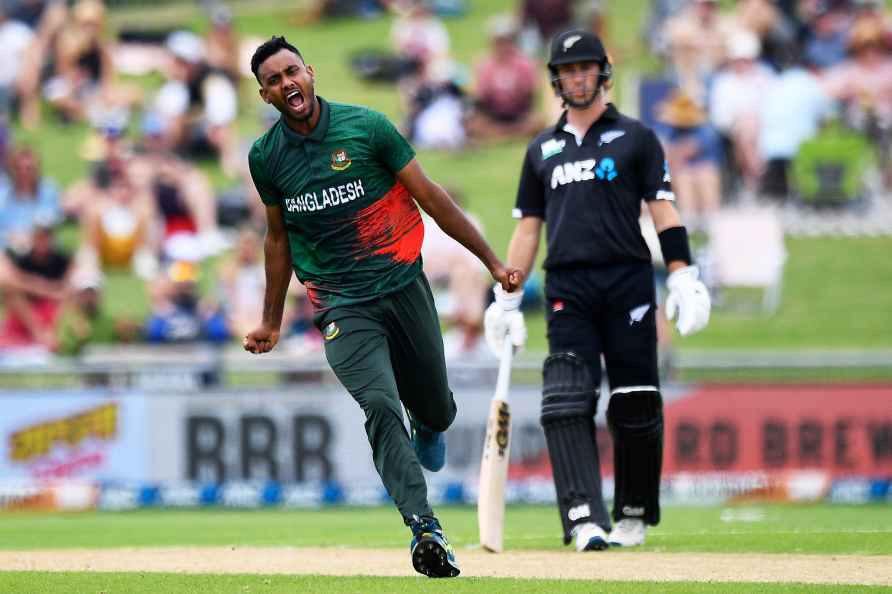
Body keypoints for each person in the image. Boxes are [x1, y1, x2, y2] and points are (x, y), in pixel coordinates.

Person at [242, 36, 521, 578]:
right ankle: (425, 529)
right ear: (264, 94)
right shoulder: (266, 157)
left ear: (311, 72)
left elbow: (432, 197)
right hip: (341, 306)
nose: (287, 84)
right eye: (274, 80)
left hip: (402, 286)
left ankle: (432, 424)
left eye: (292, 71)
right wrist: (271, 320)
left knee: (436, 408)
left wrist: (492, 262)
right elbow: (278, 239)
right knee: (380, 406)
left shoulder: (366, 127)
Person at [484, 29, 710, 553]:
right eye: (567, 71)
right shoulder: (542, 149)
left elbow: (663, 209)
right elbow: (526, 231)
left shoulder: (637, 138)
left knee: (635, 401)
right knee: (565, 402)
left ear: (602, 74)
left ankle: (632, 512)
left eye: (586, 68)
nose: (578, 77)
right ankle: (584, 517)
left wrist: (682, 272)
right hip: (568, 286)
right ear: (557, 80)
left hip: (628, 280)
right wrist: (508, 298)